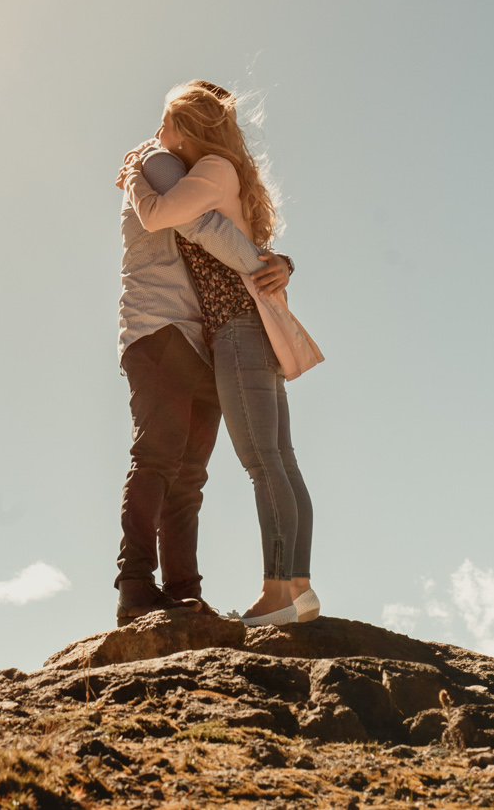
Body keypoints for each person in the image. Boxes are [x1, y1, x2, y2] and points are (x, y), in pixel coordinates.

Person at [122, 80, 319, 627]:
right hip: (241, 328)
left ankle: (280, 591)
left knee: (262, 463)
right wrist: (276, 261)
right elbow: (224, 235)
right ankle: (296, 587)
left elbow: (172, 218)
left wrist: (137, 172)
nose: (155, 134)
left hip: (234, 329)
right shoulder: (218, 173)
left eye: (164, 122)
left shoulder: (205, 170)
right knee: (280, 459)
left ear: (185, 129)